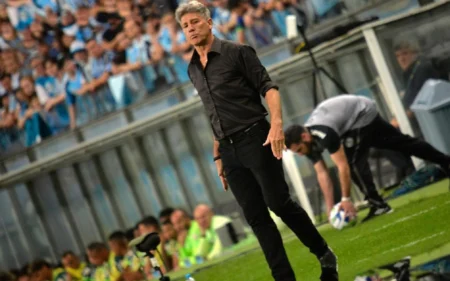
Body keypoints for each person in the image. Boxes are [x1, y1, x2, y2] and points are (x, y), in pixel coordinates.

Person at [174, 2, 337, 281]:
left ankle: (323, 252)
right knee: (256, 217)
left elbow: (269, 88)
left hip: (256, 137)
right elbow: (213, 111)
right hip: (228, 149)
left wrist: (276, 126)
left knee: (279, 203)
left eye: (195, 22)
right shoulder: (191, 68)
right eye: (185, 26)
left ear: (209, 23)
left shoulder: (237, 52)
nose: (190, 28)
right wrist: (218, 156)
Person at [284, 95, 450, 222]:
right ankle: (446, 161)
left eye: (299, 149)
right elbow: (322, 173)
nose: (300, 154)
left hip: (361, 114)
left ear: (304, 137)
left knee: (353, 162)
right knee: (402, 143)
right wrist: (330, 208)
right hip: (360, 111)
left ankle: (378, 204)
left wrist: (346, 199)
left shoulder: (324, 134)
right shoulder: (308, 142)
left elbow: (343, 167)